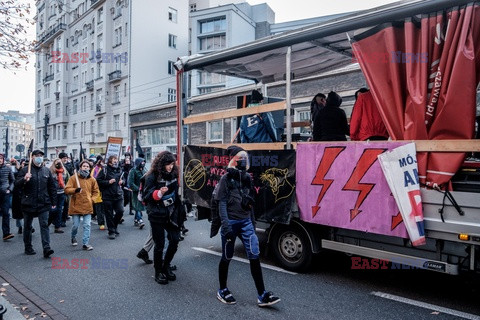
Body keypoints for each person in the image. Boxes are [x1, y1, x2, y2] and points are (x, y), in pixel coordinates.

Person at [214, 146, 280, 307]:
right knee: (227, 256)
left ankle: (262, 295)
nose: (244, 160)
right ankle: (222, 289)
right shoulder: (225, 179)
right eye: (240, 158)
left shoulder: (247, 178)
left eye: (245, 158)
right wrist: (226, 226)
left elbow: (250, 202)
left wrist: (252, 222)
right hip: (231, 223)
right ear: (234, 161)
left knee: (254, 254)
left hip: (245, 223)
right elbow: (221, 203)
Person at [143, 151, 185, 285]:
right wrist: (158, 193)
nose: (170, 167)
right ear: (161, 164)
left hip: (171, 212)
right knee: (159, 244)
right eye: (168, 164)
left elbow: (176, 193)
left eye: (172, 164)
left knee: (174, 240)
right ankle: (158, 271)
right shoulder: (151, 176)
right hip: (156, 213)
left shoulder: (173, 173)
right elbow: (146, 196)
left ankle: (166, 265)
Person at [15, 150, 57, 257]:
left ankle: (46, 248)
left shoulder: (46, 171)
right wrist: (24, 179)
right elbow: (17, 185)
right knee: (28, 226)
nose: (39, 158)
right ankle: (28, 247)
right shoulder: (25, 170)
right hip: (28, 203)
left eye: (41, 156)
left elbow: (52, 187)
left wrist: (53, 201)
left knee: (44, 225)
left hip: (43, 203)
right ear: (32, 157)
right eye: (37, 156)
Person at [65, 160, 100, 251]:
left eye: (87, 166)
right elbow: (67, 189)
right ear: (80, 167)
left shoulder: (92, 179)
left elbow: (96, 192)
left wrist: (92, 200)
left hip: (87, 205)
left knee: (87, 225)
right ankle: (73, 236)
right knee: (75, 225)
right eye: (84, 166)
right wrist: (75, 190)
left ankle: (85, 243)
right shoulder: (73, 178)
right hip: (76, 205)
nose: (86, 168)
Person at [96, 155, 125, 239]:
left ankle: (114, 226)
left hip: (118, 195)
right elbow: (98, 181)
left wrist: (122, 182)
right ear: (109, 161)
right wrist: (108, 182)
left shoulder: (119, 169)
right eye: (114, 159)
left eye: (116, 159)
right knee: (109, 214)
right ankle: (111, 231)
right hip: (107, 196)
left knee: (120, 211)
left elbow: (123, 179)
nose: (116, 161)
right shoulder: (104, 170)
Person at [48, 158, 70, 233]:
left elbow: (67, 180)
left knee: (59, 210)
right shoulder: (51, 171)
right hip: (53, 194)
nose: (59, 164)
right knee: (53, 210)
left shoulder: (64, 171)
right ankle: (47, 223)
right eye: (57, 163)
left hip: (62, 192)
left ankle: (58, 226)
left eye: (60, 163)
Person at [128, 157, 146, 228]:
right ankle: (140, 219)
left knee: (139, 205)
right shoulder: (133, 171)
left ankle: (136, 219)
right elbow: (131, 183)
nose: (143, 164)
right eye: (142, 162)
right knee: (137, 205)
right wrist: (138, 189)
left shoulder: (144, 170)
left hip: (143, 191)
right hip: (136, 191)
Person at [0, 153, 15, 241]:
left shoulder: (7, 168)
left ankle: (6, 233)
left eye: (1, 158)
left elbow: (12, 180)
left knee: (6, 213)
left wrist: (10, 189)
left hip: (5, 192)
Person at [91, 155, 106, 230]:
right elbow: (93, 180)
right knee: (99, 208)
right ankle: (101, 223)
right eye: (103, 161)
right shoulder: (96, 169)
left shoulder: (107, 169)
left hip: (106, 191)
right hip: (97, 191)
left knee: (105, 208)